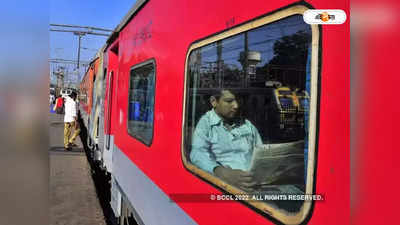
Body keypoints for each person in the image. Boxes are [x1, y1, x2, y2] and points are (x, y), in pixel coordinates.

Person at [190, 89, 262, 191]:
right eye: (229, 101)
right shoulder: (206, 124)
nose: (236, 106)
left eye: (238, 101)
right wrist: (221, 172)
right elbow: (197, 153)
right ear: (214, 102)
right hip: (224, 187)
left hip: (255, 184)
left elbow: (260, 151)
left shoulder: (246, 125)